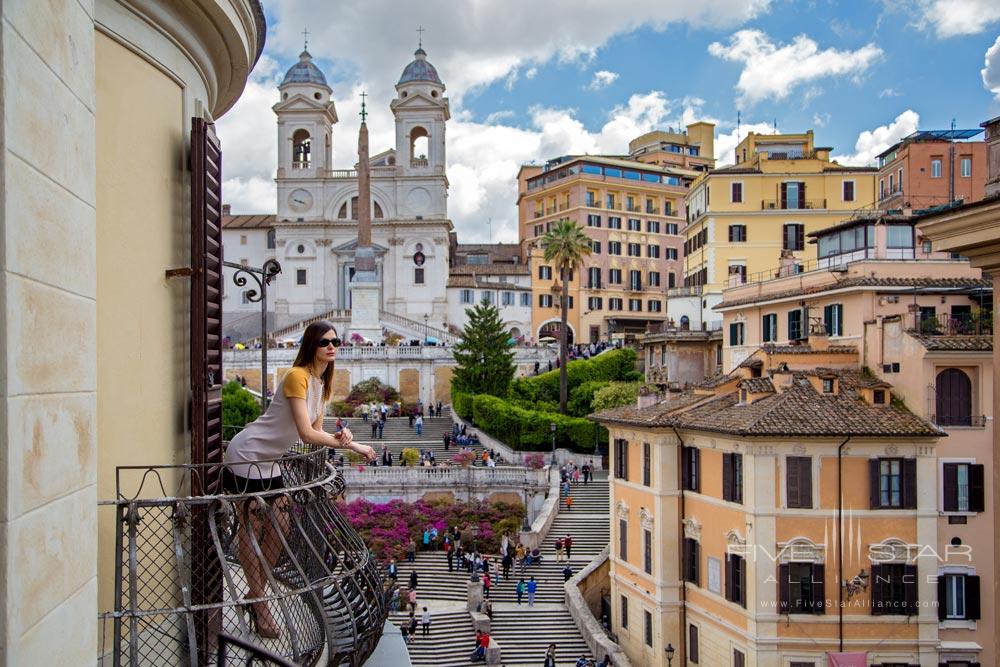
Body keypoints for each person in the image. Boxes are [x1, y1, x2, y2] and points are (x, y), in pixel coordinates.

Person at [222, 321, 374, 638]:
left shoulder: (320, 385)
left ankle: (255, 593)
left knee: (282, 525)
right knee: (252, 526)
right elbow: (305, 433)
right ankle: (261, 605)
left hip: (270, 461)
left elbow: (315, 436)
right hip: (247, 455)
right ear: (310, 346)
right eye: (324, 342)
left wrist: (343, 436)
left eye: (335, 341)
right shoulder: (297, 377)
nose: (331, 346)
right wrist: (355, 446)